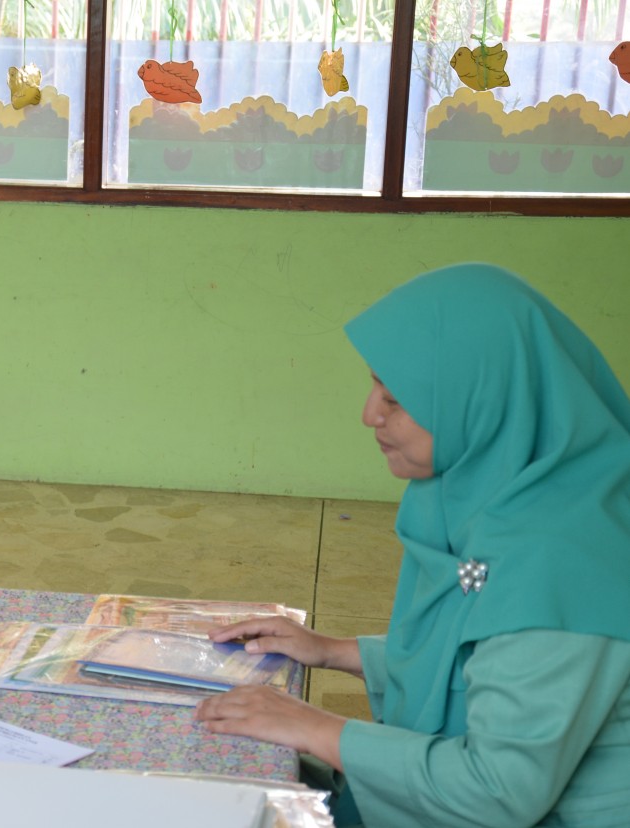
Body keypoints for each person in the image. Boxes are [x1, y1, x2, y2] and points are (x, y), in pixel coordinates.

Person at [195, 263, 630, 826]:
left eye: (395, 399)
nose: (369, 414)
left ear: (481, 399)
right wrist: (332, 650)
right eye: (375, 385)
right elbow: (480, 644)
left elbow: (499, 790)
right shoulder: (499, 496)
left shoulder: (566, 558)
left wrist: (318, 728)